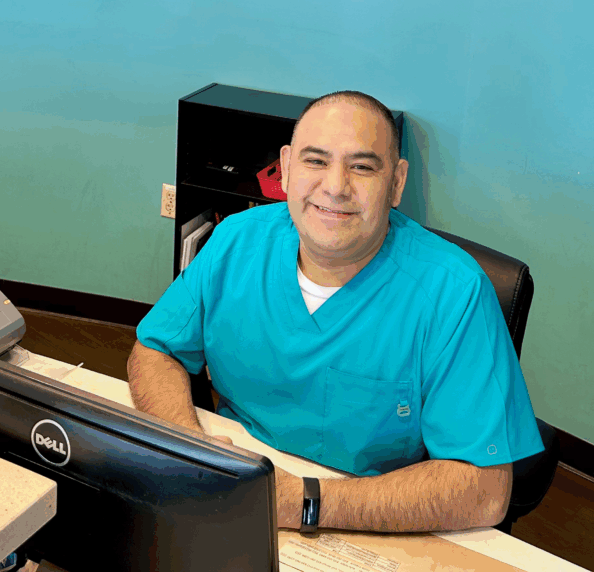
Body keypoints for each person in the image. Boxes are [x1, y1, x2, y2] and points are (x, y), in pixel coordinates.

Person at [128, 91, 544, 533]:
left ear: (397, 183)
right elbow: (155, 349)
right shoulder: (235, 241)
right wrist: (192, 451)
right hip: (237, 492)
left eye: (362, 166)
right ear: (285, 169)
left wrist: (302, 502)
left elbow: (483, 489)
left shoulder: (455, 292)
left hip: (376, 517)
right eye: (315, 161)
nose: (335, 187)